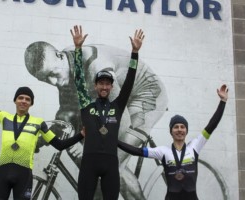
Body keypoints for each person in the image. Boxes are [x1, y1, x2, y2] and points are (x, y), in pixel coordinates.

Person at [25, 29, 167, 199]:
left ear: (60, 56)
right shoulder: (65, 67)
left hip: (145, 94)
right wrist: (39, 139)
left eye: (53, 75)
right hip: (116, 94)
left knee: (114, 163)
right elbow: (66, 114)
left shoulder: (95, 68)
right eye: (45, 79)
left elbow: (118, 123)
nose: (54, 82)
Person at [0, 60, 84, 200]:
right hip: (3, 171)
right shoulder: (4, 117)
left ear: (31, 104)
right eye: (20, 98)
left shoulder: (38, 123)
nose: (24, 101)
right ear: (15, 101)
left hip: (24, 174)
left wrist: (80, 135)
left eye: (27, 99)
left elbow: (59, 144)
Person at [117, 84, 229, 200]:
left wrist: (223, 101)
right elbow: (137, 151)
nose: (179, 129)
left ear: (186, 131)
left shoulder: (195, 146)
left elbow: (212, 125)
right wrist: (115, 141)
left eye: (182, 127)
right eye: (176, 127)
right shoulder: (163, 151)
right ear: (171, 132)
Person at [70, 25, 144, 200]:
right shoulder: (87, 105)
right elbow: (79, 78)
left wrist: (134, 53)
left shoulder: (117, 106)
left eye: (107, 83)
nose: (104, 86)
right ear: (95, 86)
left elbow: (129, 82)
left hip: (110, 162)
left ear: (111, 86)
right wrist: (78, 49)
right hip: (89, 162)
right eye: (101, 83)